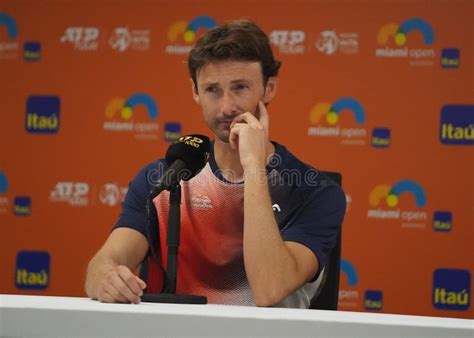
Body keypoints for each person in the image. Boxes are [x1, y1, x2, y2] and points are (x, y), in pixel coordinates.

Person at [85, 19, 346, 308]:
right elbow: (103, 265)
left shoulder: (316, 192)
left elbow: (269, 289)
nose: (226, 106)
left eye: (240, 87)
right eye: (212, 90)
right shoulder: (162, 179)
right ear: (195, 92)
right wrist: (106, 279)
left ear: (269, 89)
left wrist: (253, 168)